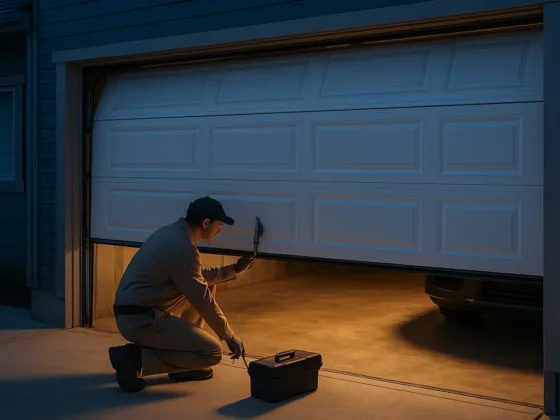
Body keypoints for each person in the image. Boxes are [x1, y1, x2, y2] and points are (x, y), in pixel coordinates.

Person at [108, 196, 256, 392]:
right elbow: (202, 299)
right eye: (219, 225)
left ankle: (185, 363)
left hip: (141, 309)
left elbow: (197, 278)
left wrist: (235, 269)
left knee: (206, 285)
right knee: (213, 353)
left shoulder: (174, 234)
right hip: (139, 319)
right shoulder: (182, 246)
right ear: (206, 222)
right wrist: (229, 336)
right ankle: (134, 359)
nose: (220, 230)